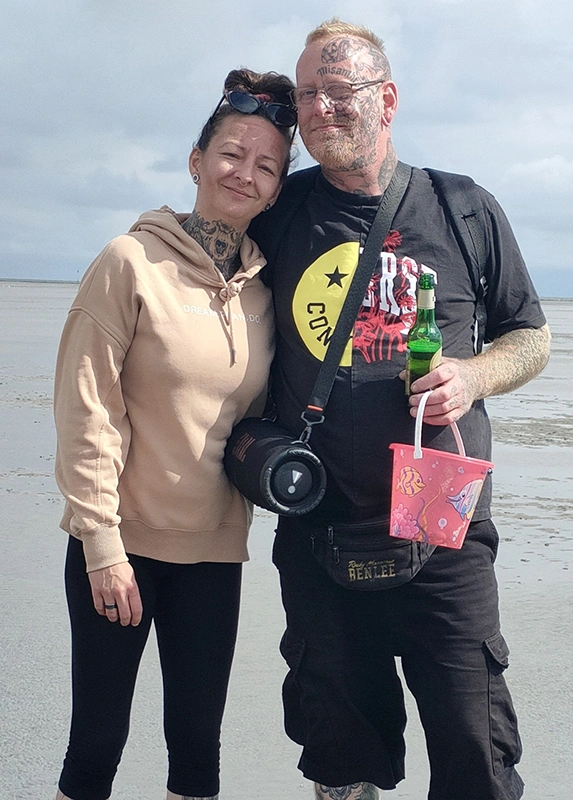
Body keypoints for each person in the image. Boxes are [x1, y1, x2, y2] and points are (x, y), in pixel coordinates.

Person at [249, 18, 551, 800]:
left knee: (473, 748)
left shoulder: (462, 207)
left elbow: (531, 336)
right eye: (306, 94)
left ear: (385, 98)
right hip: (318, 522)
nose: (319, 108)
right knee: (339, 758)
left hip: (440, 524)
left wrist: (474, 375)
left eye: (337, 90)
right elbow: (198, 255)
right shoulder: (282, 207)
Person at [52, 67, 296, 800]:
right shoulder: (129, 262)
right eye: (230, 153)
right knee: (97, 742)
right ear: (196, 161)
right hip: (120, 547)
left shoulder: (263, 288)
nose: (243, 174)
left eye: (265, 165)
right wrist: (100, 546)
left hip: (214, 554)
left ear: (278, 188)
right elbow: (84, 408)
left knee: (197, 751)